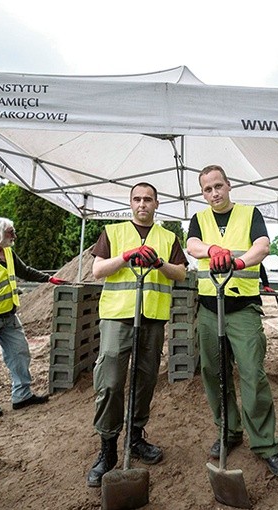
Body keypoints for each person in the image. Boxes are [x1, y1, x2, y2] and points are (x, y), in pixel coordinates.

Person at [186, 164, 278, 477]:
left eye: (218, 186)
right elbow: (191, 246)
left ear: (229, 185)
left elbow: (263, 245)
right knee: (214, 374)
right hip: (208, 310)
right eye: (207, 189)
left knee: (252, 374)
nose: (214, 193)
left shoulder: (249, 214)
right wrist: (212, 249)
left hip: (242, 309)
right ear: (203, 193)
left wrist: (240, 261)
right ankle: (228, 432)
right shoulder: (199, 219)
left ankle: (265, 443)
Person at [86, 182, 188, 488]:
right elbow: (98, 270)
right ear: (130, 203)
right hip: (118, 316)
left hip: (153, 317)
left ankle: (135, 438)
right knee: (111, 381)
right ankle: (107, 450)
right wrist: (127, 256)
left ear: (157, 204)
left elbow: (181, 273)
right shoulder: (113, 232)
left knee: (145, 380)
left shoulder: (168, 237)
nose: (142, 204)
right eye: (137, 199)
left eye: (148, 199)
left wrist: (159, 262)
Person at [0, 217, 66, 419]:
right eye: (11, 232)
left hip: (9, 315)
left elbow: (24, 271)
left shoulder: (7, 251)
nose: (14, 236)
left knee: (20, 353)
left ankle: (22, 396)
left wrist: (48, 278)